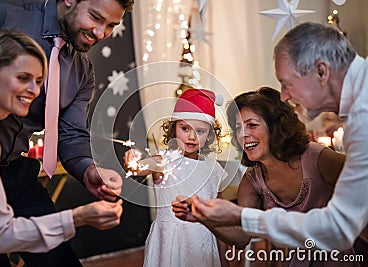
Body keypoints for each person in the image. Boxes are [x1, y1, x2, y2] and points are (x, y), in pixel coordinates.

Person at [173, 22, 368, 253]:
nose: (284, 96)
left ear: (321, 71)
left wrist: (240, 215)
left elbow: (338, 226)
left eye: (286, 83)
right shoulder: (359, 111)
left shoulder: (360, 120)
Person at [0, 0, 134, 266]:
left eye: (112, 25)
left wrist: (89, 169)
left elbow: (71, 135)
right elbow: (0, 236)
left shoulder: (82, 72)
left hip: (13, 170)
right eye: (95, 17)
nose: (101, 33)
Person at [224, 87, 358, 266]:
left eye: (252, 125)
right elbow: (241, 238)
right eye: (238, 127)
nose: (243, 134)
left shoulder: (316, 158)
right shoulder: (252, 179)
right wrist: (205, 218)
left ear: (275, 127)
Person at [124, 88, 230, 267]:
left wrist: (224, 259)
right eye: (185, 128)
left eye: (200, 131)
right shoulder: (164, 161)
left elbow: (217, 219)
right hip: (170, 242)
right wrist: (133, 158)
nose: (191, 136)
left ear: (210, 135)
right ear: (174, 128)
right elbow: (138, 168)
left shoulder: (214, 170)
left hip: (203, 242)